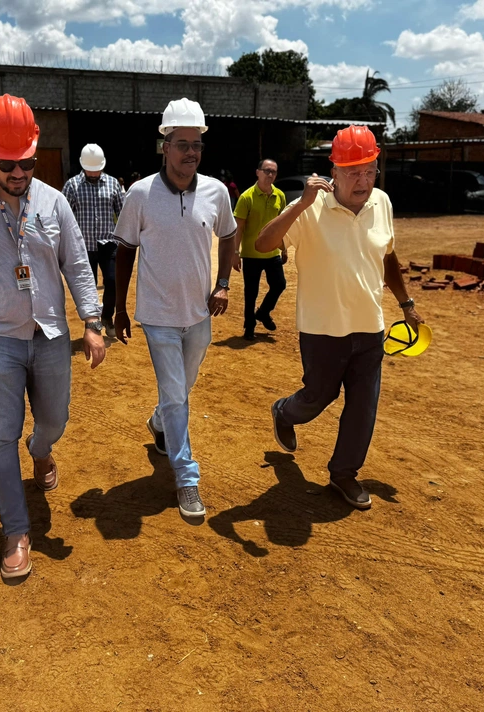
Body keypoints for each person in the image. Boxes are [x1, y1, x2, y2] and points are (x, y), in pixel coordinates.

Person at [0, 94, 106, 580]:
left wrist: (92, 324)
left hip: (50, 334)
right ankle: (16, 531)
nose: (19, 172)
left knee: (54, 420)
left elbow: (76, 264)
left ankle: (42, 450)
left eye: (28, 162)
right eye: (9, 164)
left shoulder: (53, 201)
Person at [254, 125, 425, 510]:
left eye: (370, 170)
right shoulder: (311, 207)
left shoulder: (382, 202)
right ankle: (284, 411)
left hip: (370, 328)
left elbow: (387, 257)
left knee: (364, 405)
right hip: (322, 329)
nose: (363, 180)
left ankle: (344, 474)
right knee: (318, 396)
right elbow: (263, 244)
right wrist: (299, 204)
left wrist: (406, 302)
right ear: (334, 171)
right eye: (353, 172)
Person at [113, 98, 237, 520]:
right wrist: (119, 308)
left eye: (197, 143)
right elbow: (125, 250)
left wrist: (222, 284)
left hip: (200, 314)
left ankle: (160, 422)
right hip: (158, 316)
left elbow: (230, 235)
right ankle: (187, 478)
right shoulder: (140, 194)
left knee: (180, 391)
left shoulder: (217, 192)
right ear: (163, 146)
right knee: (175, 393)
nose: (191, 152)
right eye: (182, 143)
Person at [62, 144, 125, 335]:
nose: (95, 173)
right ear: (83, 166)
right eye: (91, 169)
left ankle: (107, 317)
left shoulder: (113, 184)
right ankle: (92, 323)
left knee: (113, 281)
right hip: (83, 246)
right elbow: (64, 216)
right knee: (87, 286)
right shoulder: (72, 186)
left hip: (108, 244)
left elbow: (122, 213)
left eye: (97, 169)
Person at [233, 158, 288, 340]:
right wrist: (235, 253)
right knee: (251, 292)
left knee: (279, 284)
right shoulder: (246, 197)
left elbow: (282, 225)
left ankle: (263, 312)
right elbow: (239, 227)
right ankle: (249, 327)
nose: (270, 175)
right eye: (266, 171)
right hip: (251, 254)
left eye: (273, 172)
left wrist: (284, 247)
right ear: (258, 172)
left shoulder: (279, 195)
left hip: (272, 252)